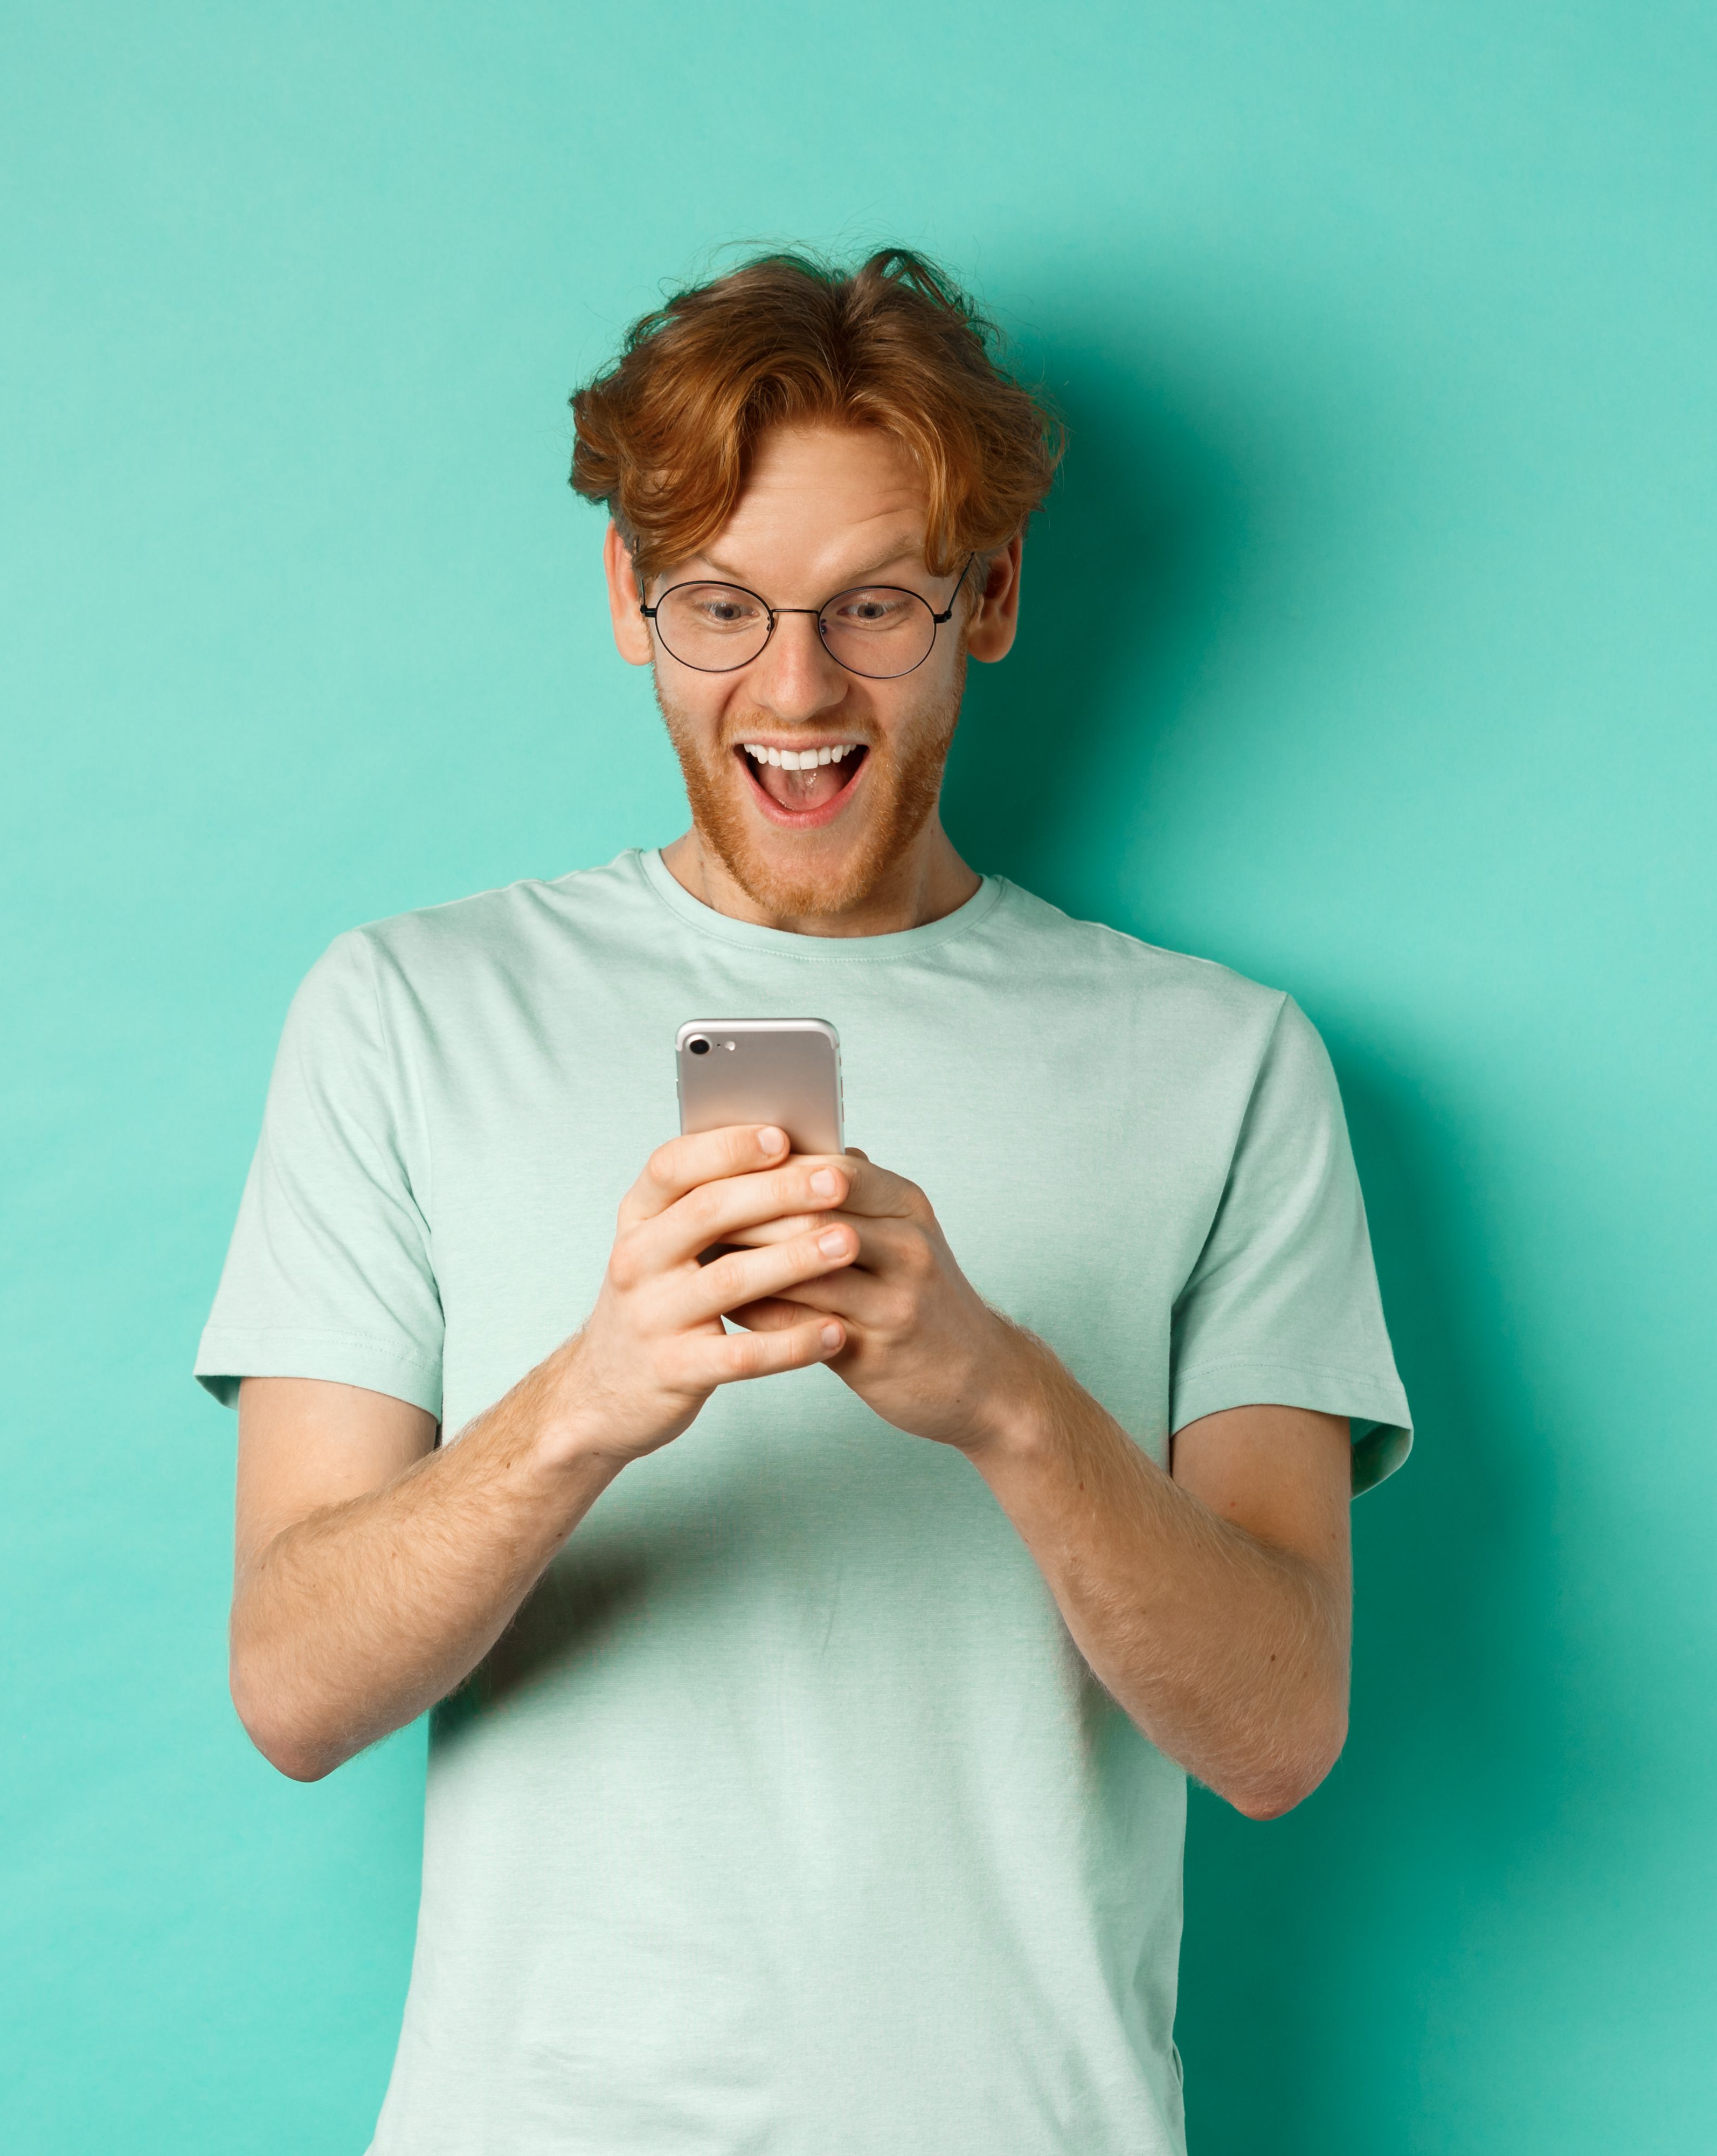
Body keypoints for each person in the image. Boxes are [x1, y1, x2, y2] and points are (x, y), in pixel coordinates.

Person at [197, 247, 1411, 2155]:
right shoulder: (408, 1012)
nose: (793, 687)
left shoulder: (1223, 1064)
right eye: (718, 606)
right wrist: (589, 1399)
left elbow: (1278, 1733)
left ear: (986, 599)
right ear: (626, 599)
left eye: (871, 606)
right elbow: (291, 1687)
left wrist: (1004, 1396)